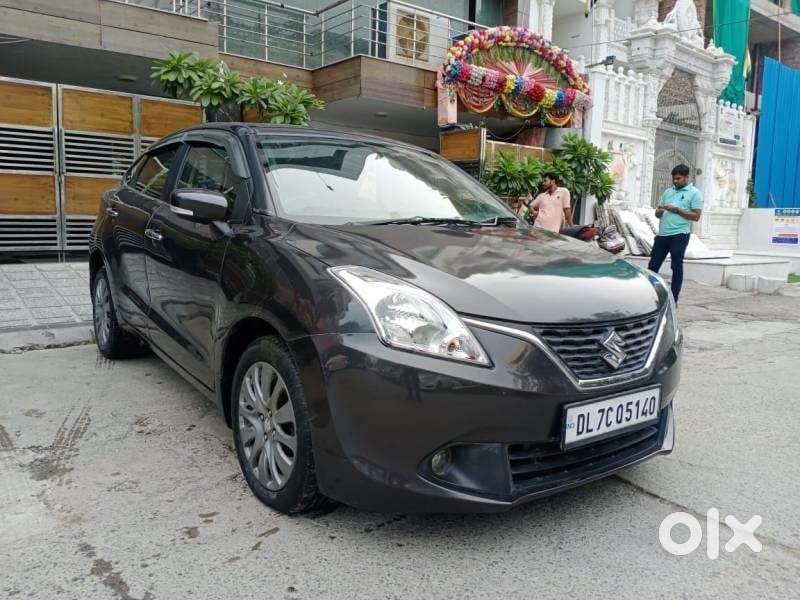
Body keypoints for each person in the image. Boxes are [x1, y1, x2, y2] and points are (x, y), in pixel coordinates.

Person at [648, 164, 703, 303]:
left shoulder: (695, 193)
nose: (675, 181)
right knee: (652, 266)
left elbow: (696, 216)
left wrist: (677, 210)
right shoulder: (668, 192)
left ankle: (673, 300)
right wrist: (659, 212)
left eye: (678, 178)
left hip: (679, 235)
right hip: (662, 235)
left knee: (676, 266)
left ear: (686, 177)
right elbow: (657, 213)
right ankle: (650, 297)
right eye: (674, 178)